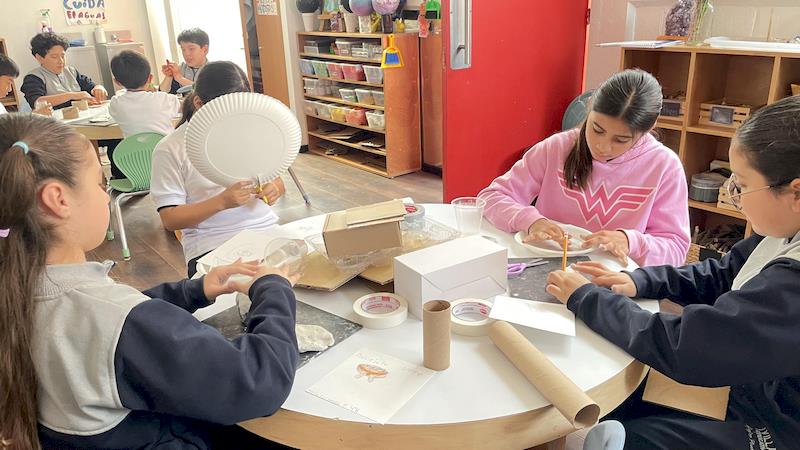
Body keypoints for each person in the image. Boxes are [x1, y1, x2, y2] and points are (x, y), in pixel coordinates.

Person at [0, 113, 298, 449]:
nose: (105, 196)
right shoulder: (114, 320)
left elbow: (109, 323)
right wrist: (273, 289)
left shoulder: (20, 290)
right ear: (58, 199)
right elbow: (259, 382)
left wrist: (192, 291)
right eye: (99, 184)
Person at [547, 95, 800, 449]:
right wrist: (642, 280)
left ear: (795, 192)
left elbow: (690, 346)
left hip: (779, 425)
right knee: (622, 404)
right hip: (752, 380)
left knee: (631, 440)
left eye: (741, 185)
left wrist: (587, 299)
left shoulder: (792, 287)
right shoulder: (783, 227)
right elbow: (723, 274)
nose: (736, 196)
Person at [478, 69, 690, 267]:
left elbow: (676, 249)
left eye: (621, 139)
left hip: (613, 280)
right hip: (547, 268)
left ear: (649, 128)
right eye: (597, 129)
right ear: (589, 107)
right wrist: (531, 221)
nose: (602, 146)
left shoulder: (664, 166)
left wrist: (631, 241)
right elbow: (491, 197)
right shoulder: (557, 148)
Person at [150, 61, 285, 277]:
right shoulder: (171, 148)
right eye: (226, 112)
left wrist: (274, 188)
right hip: (211, 243)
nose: (235, 120)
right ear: (199, 103)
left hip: (266, 231)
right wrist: (221, 202)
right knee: (256, 288)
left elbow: (277, 182)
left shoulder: (252, 133)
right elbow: (170, 219)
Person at [20, 32, 107, 110]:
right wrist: (72, 95)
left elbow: (90, 86)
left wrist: (98, 88)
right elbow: (37, 102)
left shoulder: (71, 71)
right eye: (54, 57)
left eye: (62, 56)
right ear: (39, 58)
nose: (61, 61)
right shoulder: (34, 77)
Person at [108, 50, 181, 138]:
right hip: (166, 146)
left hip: (134, 147)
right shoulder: (165, 99)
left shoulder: (115, 103)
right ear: (150, 78)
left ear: (117, 82)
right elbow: (186, 106)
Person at [159, 28, 210, 94]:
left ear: (205, 49)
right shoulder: (180, 69)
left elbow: (205, 92)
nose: (186, 54)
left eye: (191, 49)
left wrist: (180, 78)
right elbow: (162, 94)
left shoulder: (213, 70)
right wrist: (169, 76)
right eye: (183, 49)